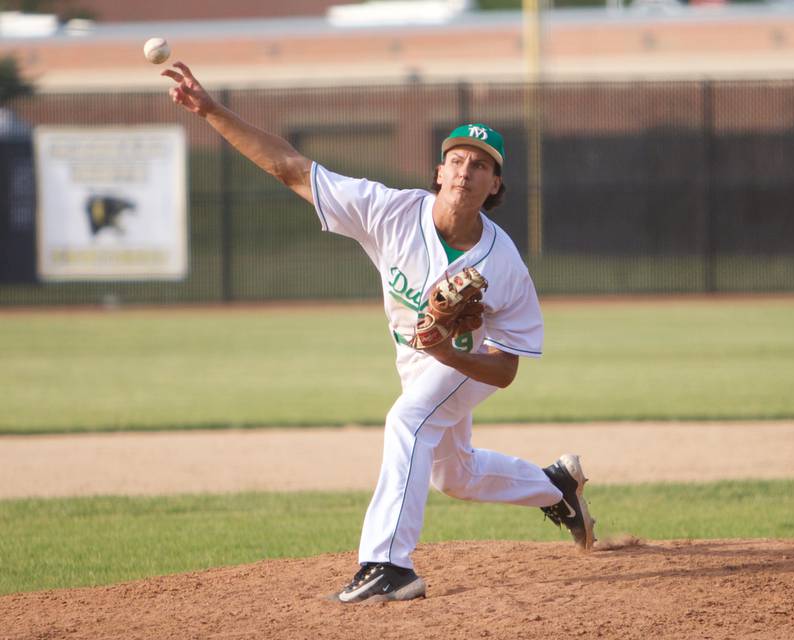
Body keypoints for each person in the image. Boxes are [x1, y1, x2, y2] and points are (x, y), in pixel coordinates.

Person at [162, 62, 595, 604]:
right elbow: (292, 169)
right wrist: (211, 111)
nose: (466, 170)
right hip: (416, 359)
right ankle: (554, 487)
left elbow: (506, 369)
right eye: (456, 159)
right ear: (439, 173)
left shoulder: (505, 266)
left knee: (408, 421)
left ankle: (388, 564)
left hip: (471, 359)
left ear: (495, 185)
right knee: (453, 476)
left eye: (481, 165)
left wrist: (449, 352)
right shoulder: (389, 211)